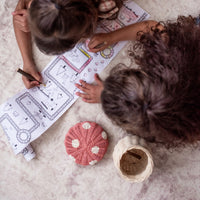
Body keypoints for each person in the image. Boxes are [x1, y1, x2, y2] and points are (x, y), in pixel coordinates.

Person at [75, 15, 200, 146]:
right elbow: (151, 28)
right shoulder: (176, 55)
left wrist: (110, 97)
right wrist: (111, 37)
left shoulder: (187, 122)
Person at [12, 0, 124, 89]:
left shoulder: (106, 4)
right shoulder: (37, 4)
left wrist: (112, 37)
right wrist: (27, 62)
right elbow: (20, 9)